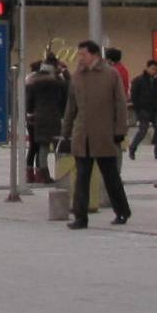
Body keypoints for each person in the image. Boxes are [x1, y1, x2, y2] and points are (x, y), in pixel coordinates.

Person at [62, 40, 132, 228]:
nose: (80, 58)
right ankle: (80, 216)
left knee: (111, 177)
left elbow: (120, 104)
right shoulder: (77, 76)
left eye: (83, 54)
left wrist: (119, 131)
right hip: (82, 136)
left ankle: (122, 211)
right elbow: (71, 108)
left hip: (104, 135)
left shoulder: (110, 75)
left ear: (94, 55)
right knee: (81, 178)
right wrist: (65, 133)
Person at [24, 59, 68, 184]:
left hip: (38, 117)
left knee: (41, 146)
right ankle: (61, 172)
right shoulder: (59, 83)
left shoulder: (33, 83)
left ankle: (42, 174)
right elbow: (65, 100)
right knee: (58, 147)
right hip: (55, 117)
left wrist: (31, 112)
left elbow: (29, 103)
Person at [127, 59, 157, 161]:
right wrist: (138, 108)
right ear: (147, 68)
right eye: (152, 69)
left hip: (155, 109)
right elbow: (134, 96)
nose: (153, 71)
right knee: (143, 131)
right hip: (144, 109)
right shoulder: (139, 80)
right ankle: (132, 148)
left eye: (155, 69)